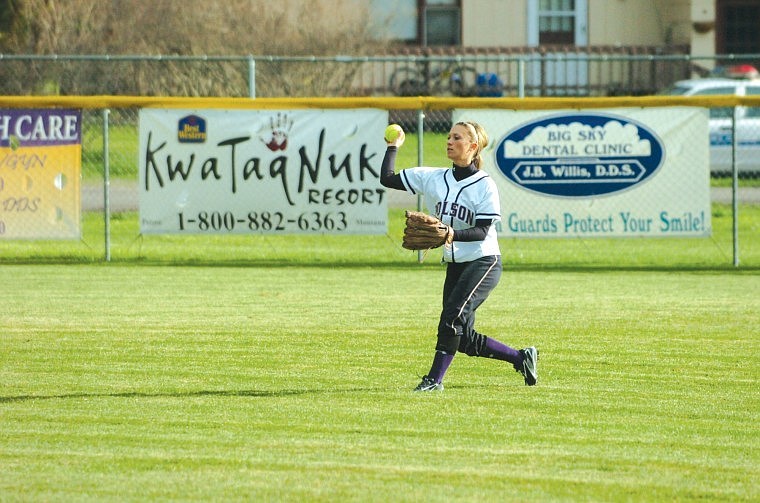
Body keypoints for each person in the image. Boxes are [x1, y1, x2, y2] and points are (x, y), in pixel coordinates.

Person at [380, 120, 538, 391]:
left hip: (483, 261)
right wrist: (393, 146)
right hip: (456, 262)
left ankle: (433, 381)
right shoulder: (433, 177)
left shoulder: (485, 185)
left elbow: (482, 230)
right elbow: (387, 177)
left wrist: (450, 233)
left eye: (458, 138)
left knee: (451, 320)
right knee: (461, 337)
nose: (450, 142)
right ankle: (520, 357)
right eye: (449, 137)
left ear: (473, 147)